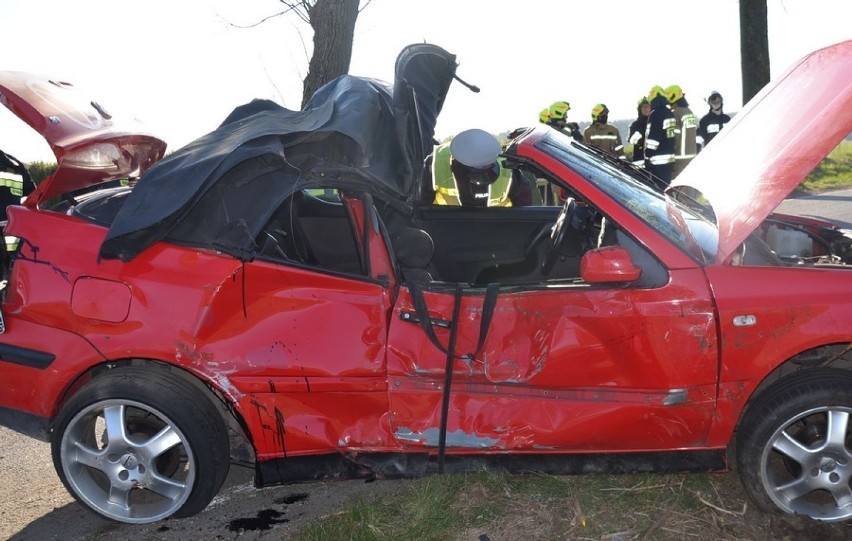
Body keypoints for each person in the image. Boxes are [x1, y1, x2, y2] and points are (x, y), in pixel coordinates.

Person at [421, 128, 531, 207]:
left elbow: (526, 210)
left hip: (496, 231)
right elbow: (421, 206)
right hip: (447, 229)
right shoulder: (435, 163)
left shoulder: (508, 169)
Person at [644, 85, 677, 187]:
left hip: (657, 162)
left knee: (659, 191)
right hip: (669, 160)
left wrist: (648, 155)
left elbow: (654, 138)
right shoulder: (669, 113)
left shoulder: (656, 114)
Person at [665, 85, 698, 179]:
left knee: (676, 192)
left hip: (679, 161)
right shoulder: (688, 112)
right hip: (691, 158)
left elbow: (673, 138)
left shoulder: (675, 113)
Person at [626, 97, 651, 167]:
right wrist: (643, 131)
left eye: (647, 107)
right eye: (643, 107)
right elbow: (631, 141)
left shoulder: (655, 122)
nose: (646, 109)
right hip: (639, 162)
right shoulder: (635, 125)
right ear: (640, 109)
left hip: (652, 162)